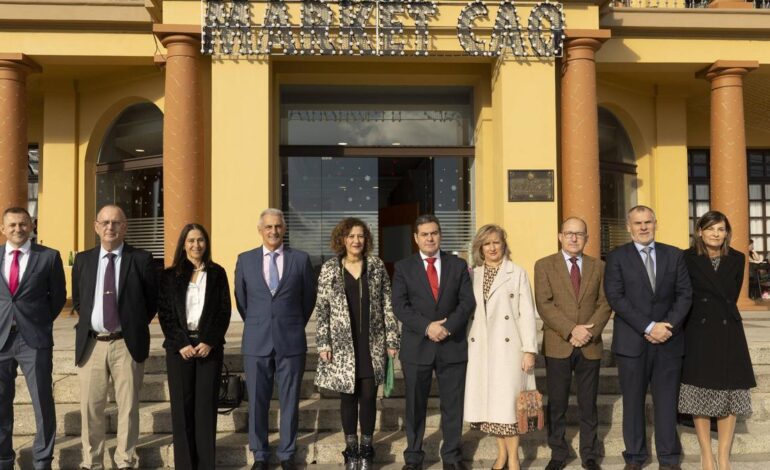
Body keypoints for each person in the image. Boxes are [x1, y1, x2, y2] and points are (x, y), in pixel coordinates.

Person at [604, 205, 692, 470]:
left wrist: (667, 326)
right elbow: (616, 297)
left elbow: (684, 294)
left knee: (667, 403)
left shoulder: (674, 255)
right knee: (633, 403)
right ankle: (635, 456)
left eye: (648, 222)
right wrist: (649, 326)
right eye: (637, 223)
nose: (643, 227)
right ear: (629, 227)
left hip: (668, 340)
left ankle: (668, 458)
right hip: (632, 342)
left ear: (656, 223)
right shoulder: (617, 257)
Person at [73, 204, 159, 470]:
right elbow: (79, 300)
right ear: (96, 227)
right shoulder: (84, 260)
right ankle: (92, 462)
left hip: (126, 343)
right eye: (105, 222)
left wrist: (131, 326)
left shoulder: (142, 259)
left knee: (129, 408)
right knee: (90, 409)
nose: (110, 227)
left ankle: (125, 460)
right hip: (92, 344)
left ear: (125, 227)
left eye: (116, 223)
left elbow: (151, 302)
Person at [313, 218, 400, 470]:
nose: (356, 241)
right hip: (342, 346)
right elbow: (322, 309)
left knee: (369, 397)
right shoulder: (330, 268)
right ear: (342, 239)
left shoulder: (376, 265)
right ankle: (351, 451)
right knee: (348, 398)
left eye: (360, 236)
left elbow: (387, 304)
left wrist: (392, 339)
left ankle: (367, 449)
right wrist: (323, 343)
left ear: (366, 239)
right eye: (351, 236)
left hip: (371, 343)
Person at [235, 208, 316, 470]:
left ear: (284, 229)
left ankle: (287, 453)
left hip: (290, 339)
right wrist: (261, 323)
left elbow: (308, 299)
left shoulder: (301, 260)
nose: (273, 231)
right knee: (257, 400)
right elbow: (242, 299)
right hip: (256, 341)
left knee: (290, 399)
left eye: (278, 226)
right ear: (260, 230)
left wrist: (290, 323)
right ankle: (259, 454)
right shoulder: (245, 260)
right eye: (268, 227)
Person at [392, 214, 475, 470]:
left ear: (440, 235)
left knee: (453, 405)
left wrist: (447, 327)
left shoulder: (458, 265)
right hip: (417, 347)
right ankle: (414, 457)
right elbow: (400, 306)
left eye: (434, 233)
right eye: (425, 234)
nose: (430, 238)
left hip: (452, 346)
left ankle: (451, 456)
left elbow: (467, 302)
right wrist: (428, 327)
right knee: (415, 407)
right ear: (416, 238)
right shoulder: (403, 267)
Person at [678, 211, 755, 470]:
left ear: (726, 233)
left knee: (729, 393)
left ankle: (723, 456)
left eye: (721, 229)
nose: (716, 234)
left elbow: (731, 294)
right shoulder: (686, 258)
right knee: (698, 392)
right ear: (699, 231)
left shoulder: (737, 258)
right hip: (697, 330)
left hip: (728, 331)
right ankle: (706, 455)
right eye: (710, 228)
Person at [534, 217, 611, 470]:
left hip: (590, 344)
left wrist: (589, 331)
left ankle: (589, 454)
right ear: (560, 236)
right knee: (557, 402)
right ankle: (559, 452)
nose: (574, 238)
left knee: (588, 403)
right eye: (569, 233)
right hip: (559, 343)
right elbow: (544, 304)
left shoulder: (599, 266)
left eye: (579, 234)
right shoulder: (544, 265)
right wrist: (571, 330)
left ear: (587, 238)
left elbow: (605, 303)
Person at [158, 223, 231, 469]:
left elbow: (223, 311)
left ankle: (206, 465)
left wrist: (209, 340)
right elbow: (166, 313)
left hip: (208, 348)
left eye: (200, 240)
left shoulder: (218, 273)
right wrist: (181, 343)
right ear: (184, 244)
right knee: (182, 409)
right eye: (191, 240)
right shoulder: (170, 275)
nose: (196, 245)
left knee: (205, 410)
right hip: (180, 350)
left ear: (206, 243)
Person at [464, 224, 537, 470]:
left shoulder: (517, 273)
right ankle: (501, 455)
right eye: (487, 243)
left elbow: (527, 313)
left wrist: (529, 349)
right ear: (480, 248)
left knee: (509, 407)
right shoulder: (473, 274)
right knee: (493, 408)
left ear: (504, 244)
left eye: (496, 242)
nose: (492, 247)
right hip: (482, 349)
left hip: (509, 349)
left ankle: (513, 459)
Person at [0, 207, 66, 470]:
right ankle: (4, 459)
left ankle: (42, 460)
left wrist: (38, 322)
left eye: (23, 224)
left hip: (34, 341)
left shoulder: (48, 257)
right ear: (3, 229)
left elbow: (58, 297)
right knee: (1, 404)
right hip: (1, 340)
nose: (18, 229)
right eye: (13, 225)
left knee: (42, 403)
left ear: (32, 226)